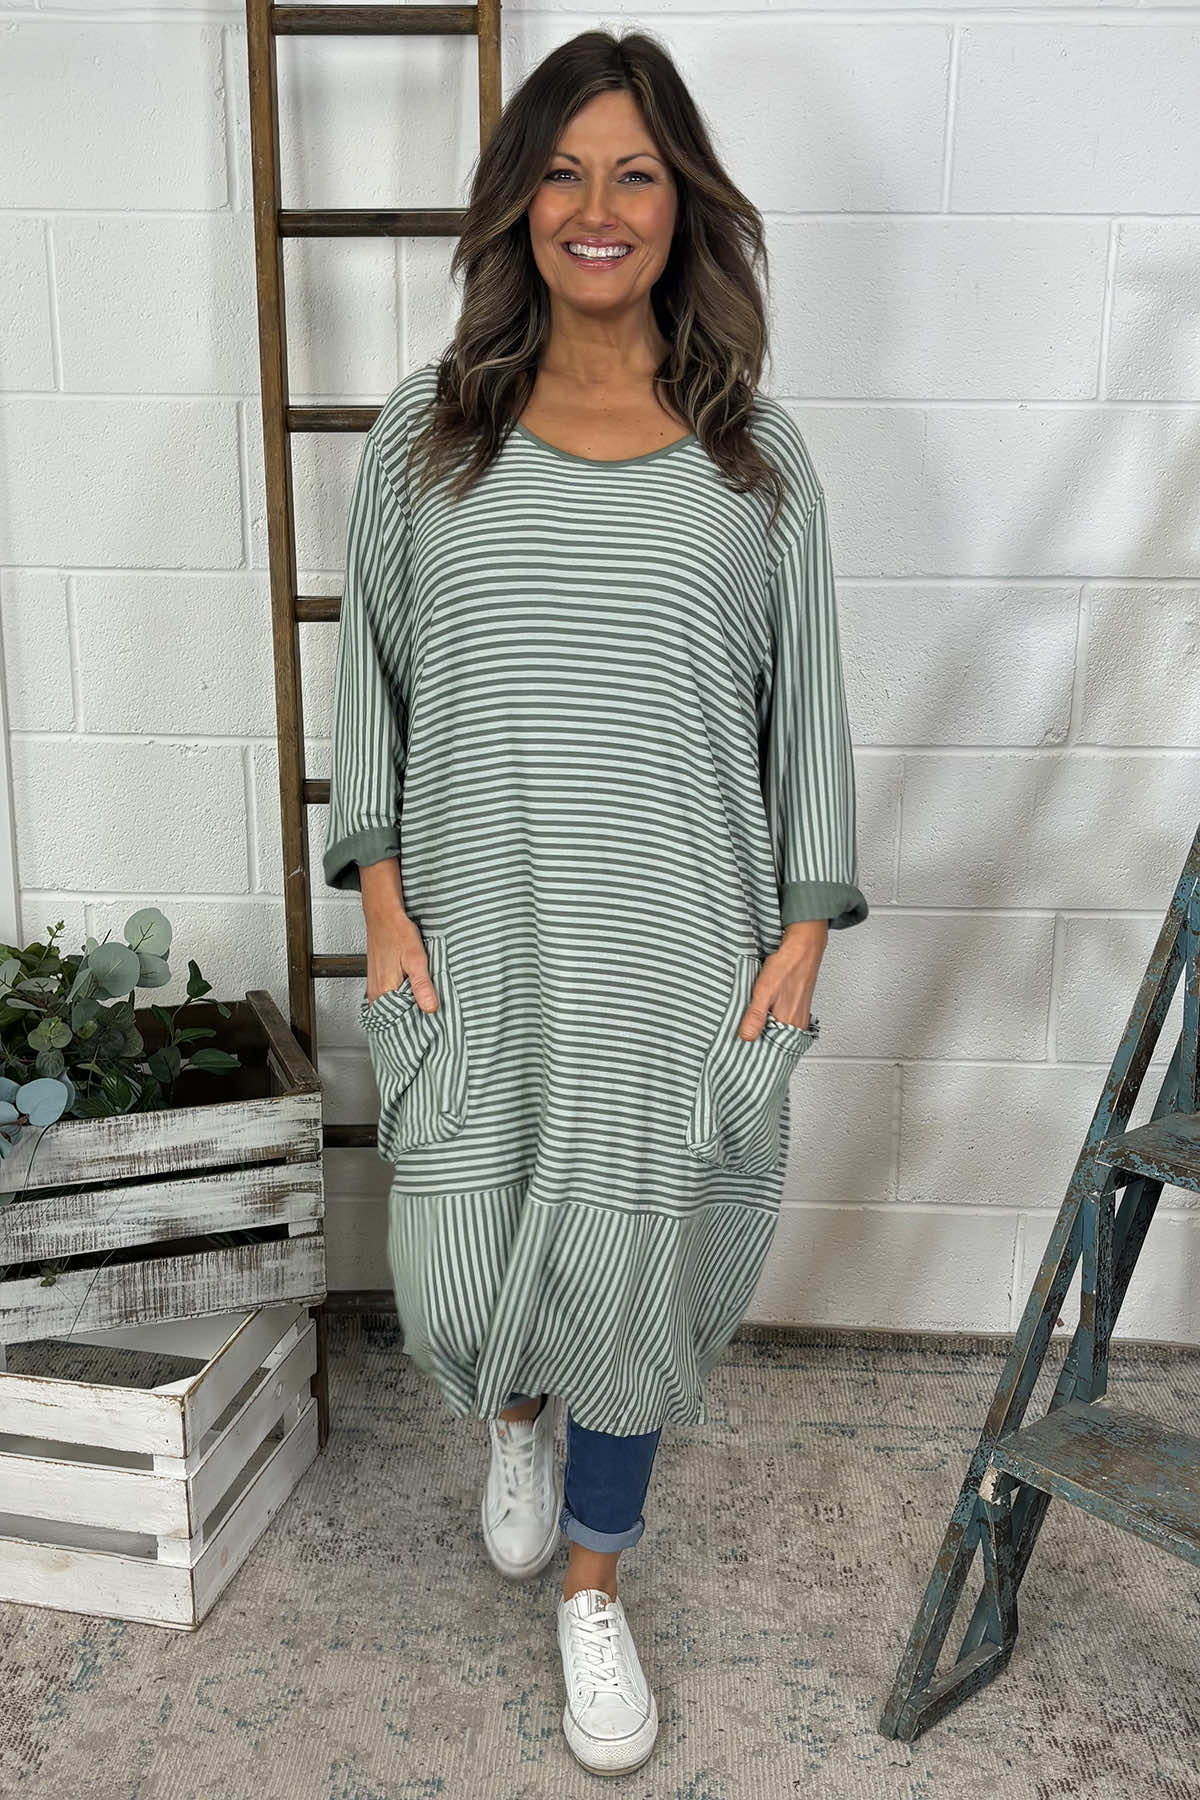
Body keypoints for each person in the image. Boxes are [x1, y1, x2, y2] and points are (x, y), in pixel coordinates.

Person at [322, 27, 868, 1779]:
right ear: (517, 205)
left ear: (684, 203)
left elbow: (809, 713)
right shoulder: (428, 438)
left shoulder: (756, 461)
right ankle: (514, 1414)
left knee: (636, 1280)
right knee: (465, 1269)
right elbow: (370, 686)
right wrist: (384, 905)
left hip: (678, 953)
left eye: (635, 172)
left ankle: (592, 1585)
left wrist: (800, 935)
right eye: (561, 171)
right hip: (476, 937)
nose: (597, 205)